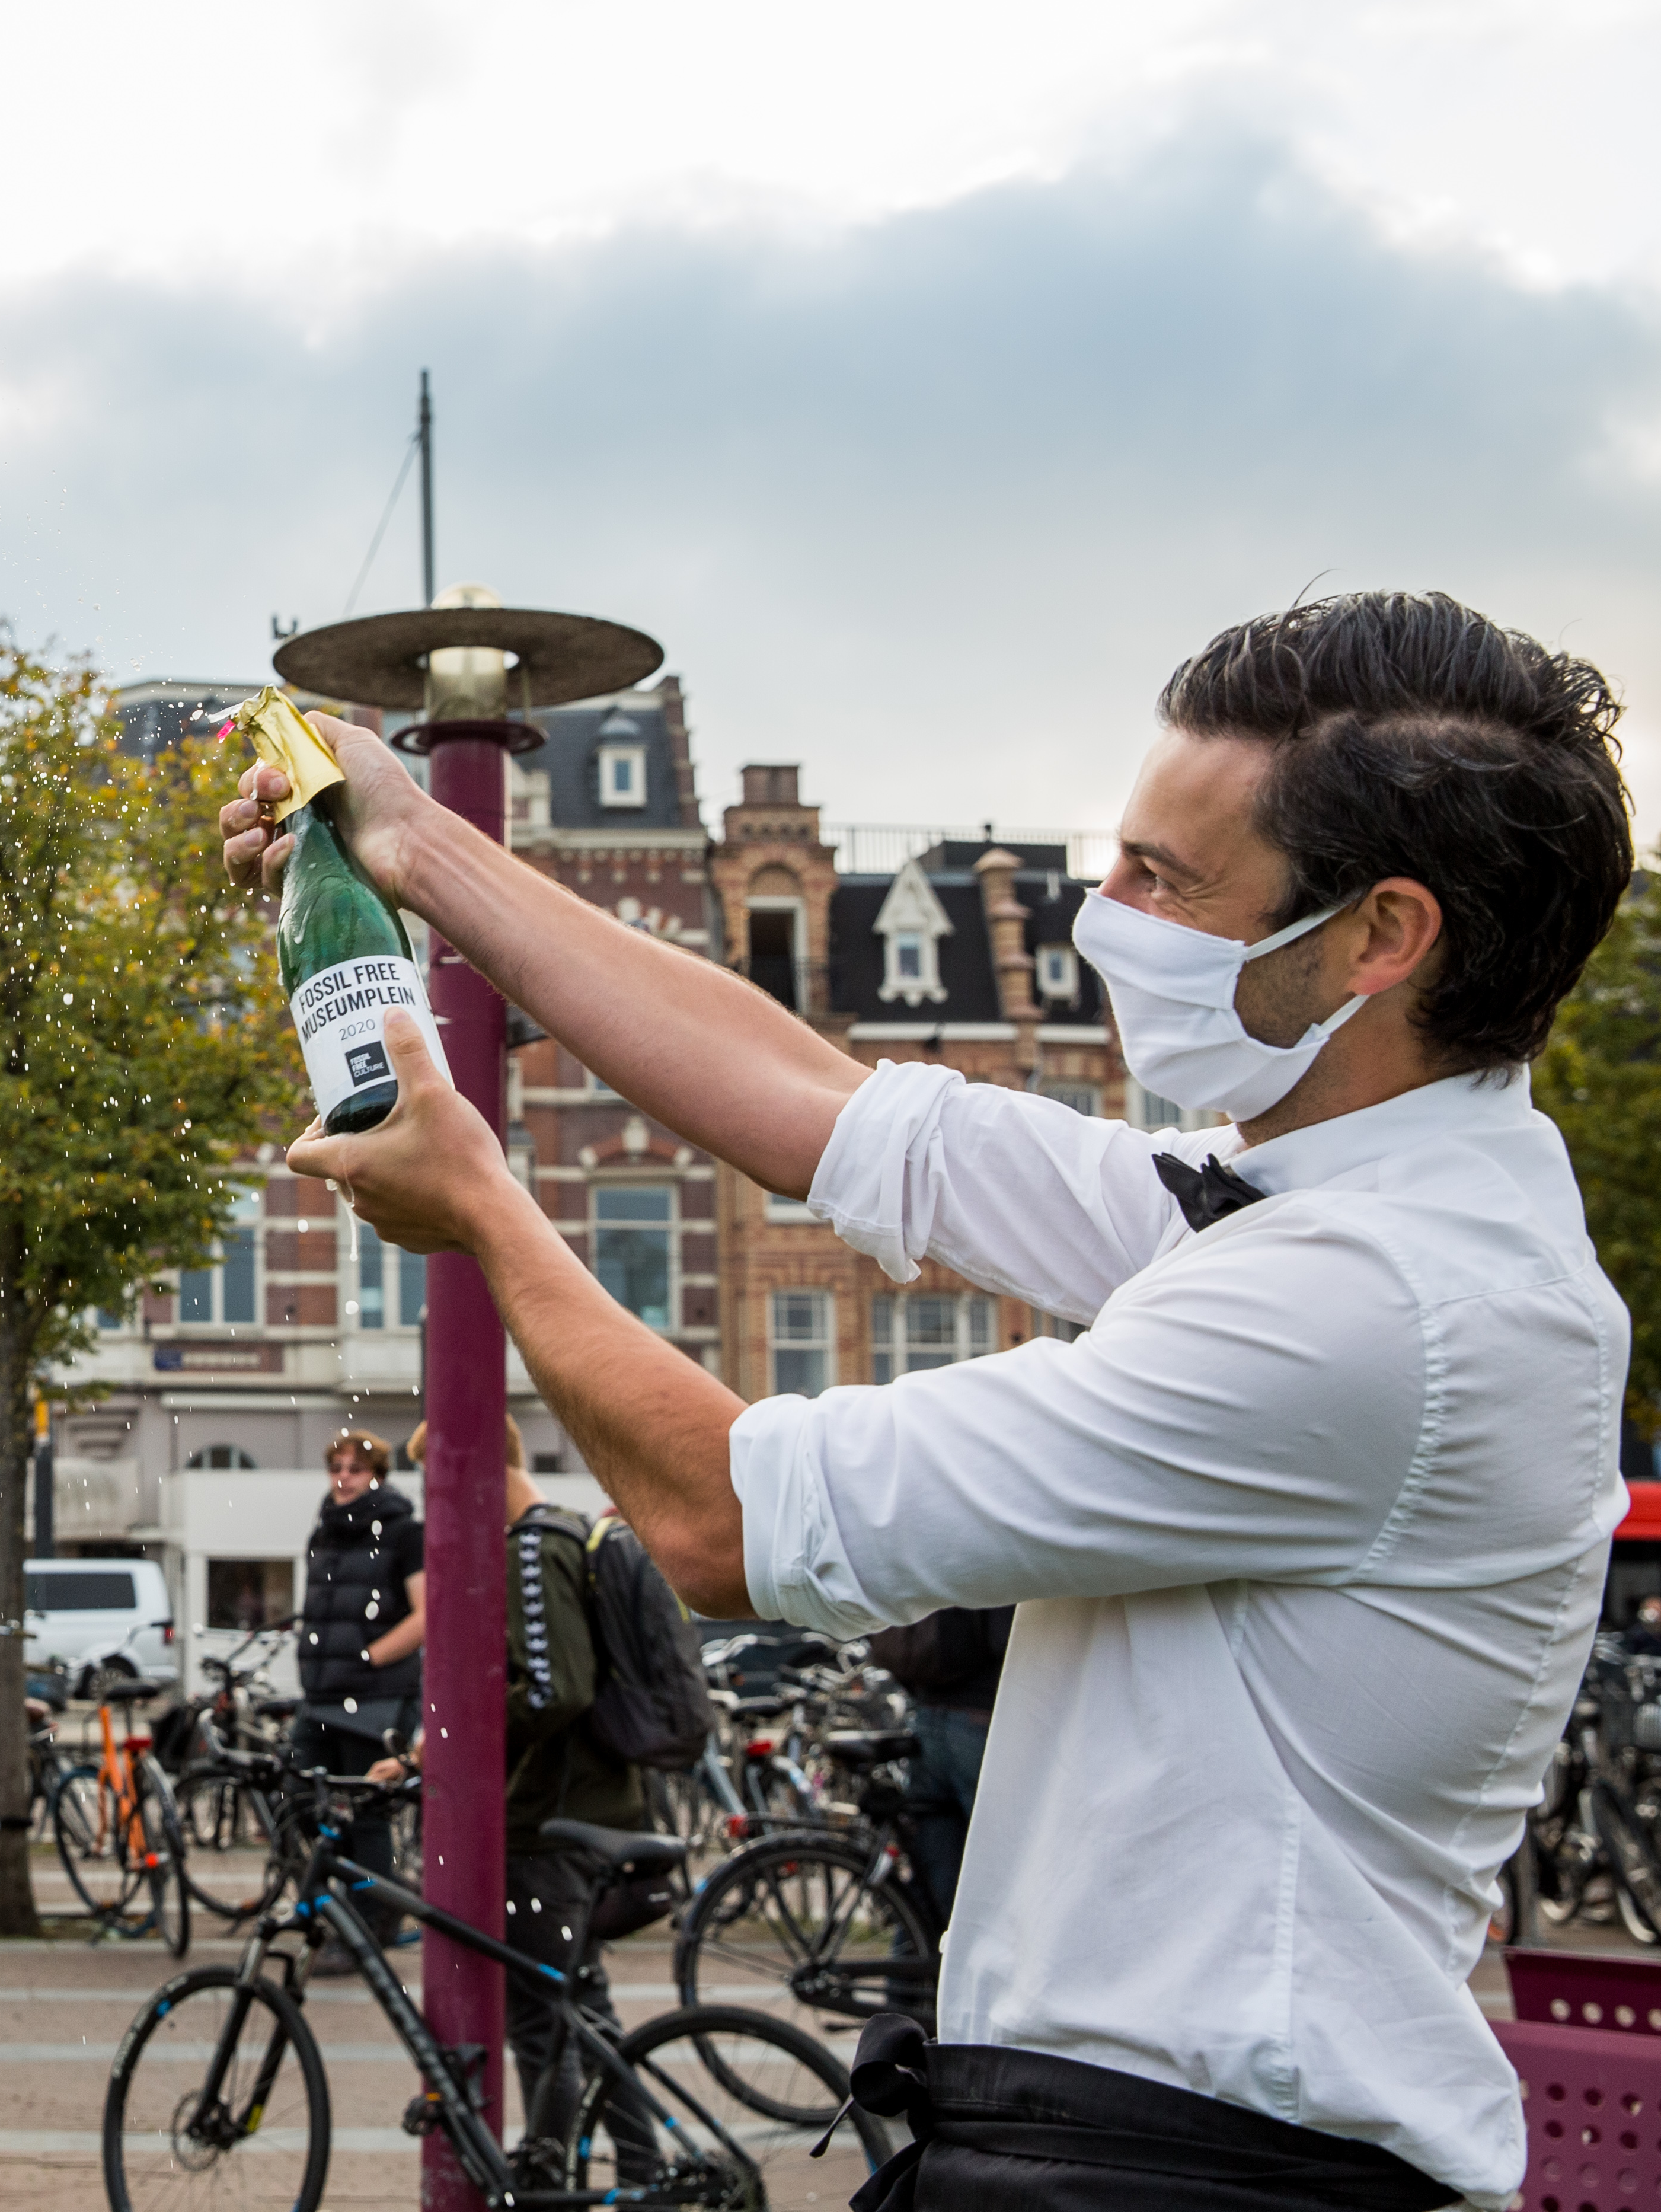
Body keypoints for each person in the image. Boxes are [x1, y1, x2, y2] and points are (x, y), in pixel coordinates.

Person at [231, 590, 1632, 2207]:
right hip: (1131, 2146)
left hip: (1196, 2174)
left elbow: (720, 1516)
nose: (1105, 912)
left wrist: (483, 1203)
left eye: (1166, 882)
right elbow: (827, 1107)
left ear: (1382, 937)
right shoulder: (1330, 1202)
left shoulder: (1378, 1305)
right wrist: (413, 843)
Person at [497, 1440, 657, 2176]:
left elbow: (553, 1689)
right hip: (592, 1808)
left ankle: (550, 2171)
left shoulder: (532, 1549)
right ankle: (642, 2167)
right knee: (582, 2008)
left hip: (554, 1821)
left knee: (542, 2018)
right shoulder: (563, 1534)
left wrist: (461, 1742)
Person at [289, 1429, 423, 1881]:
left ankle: (372, 1914)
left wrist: (369, 1658)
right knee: (298, 1797)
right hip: (324, 1692)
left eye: (356, 1469)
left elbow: (426, 1615)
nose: (343, 1477)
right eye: (336, 1467)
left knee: (367, 1812)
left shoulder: (404, 1534)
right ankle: (346, 1901)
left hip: (374, 1696)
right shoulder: (324, 1533)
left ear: (378, 1476)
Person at [864, 1606, 1012, 1919]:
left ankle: (909, 1963)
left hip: (928, 1720)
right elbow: (1006, 1638)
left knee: (931, 1888)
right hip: (981, 1719)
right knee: (1005, 1870)